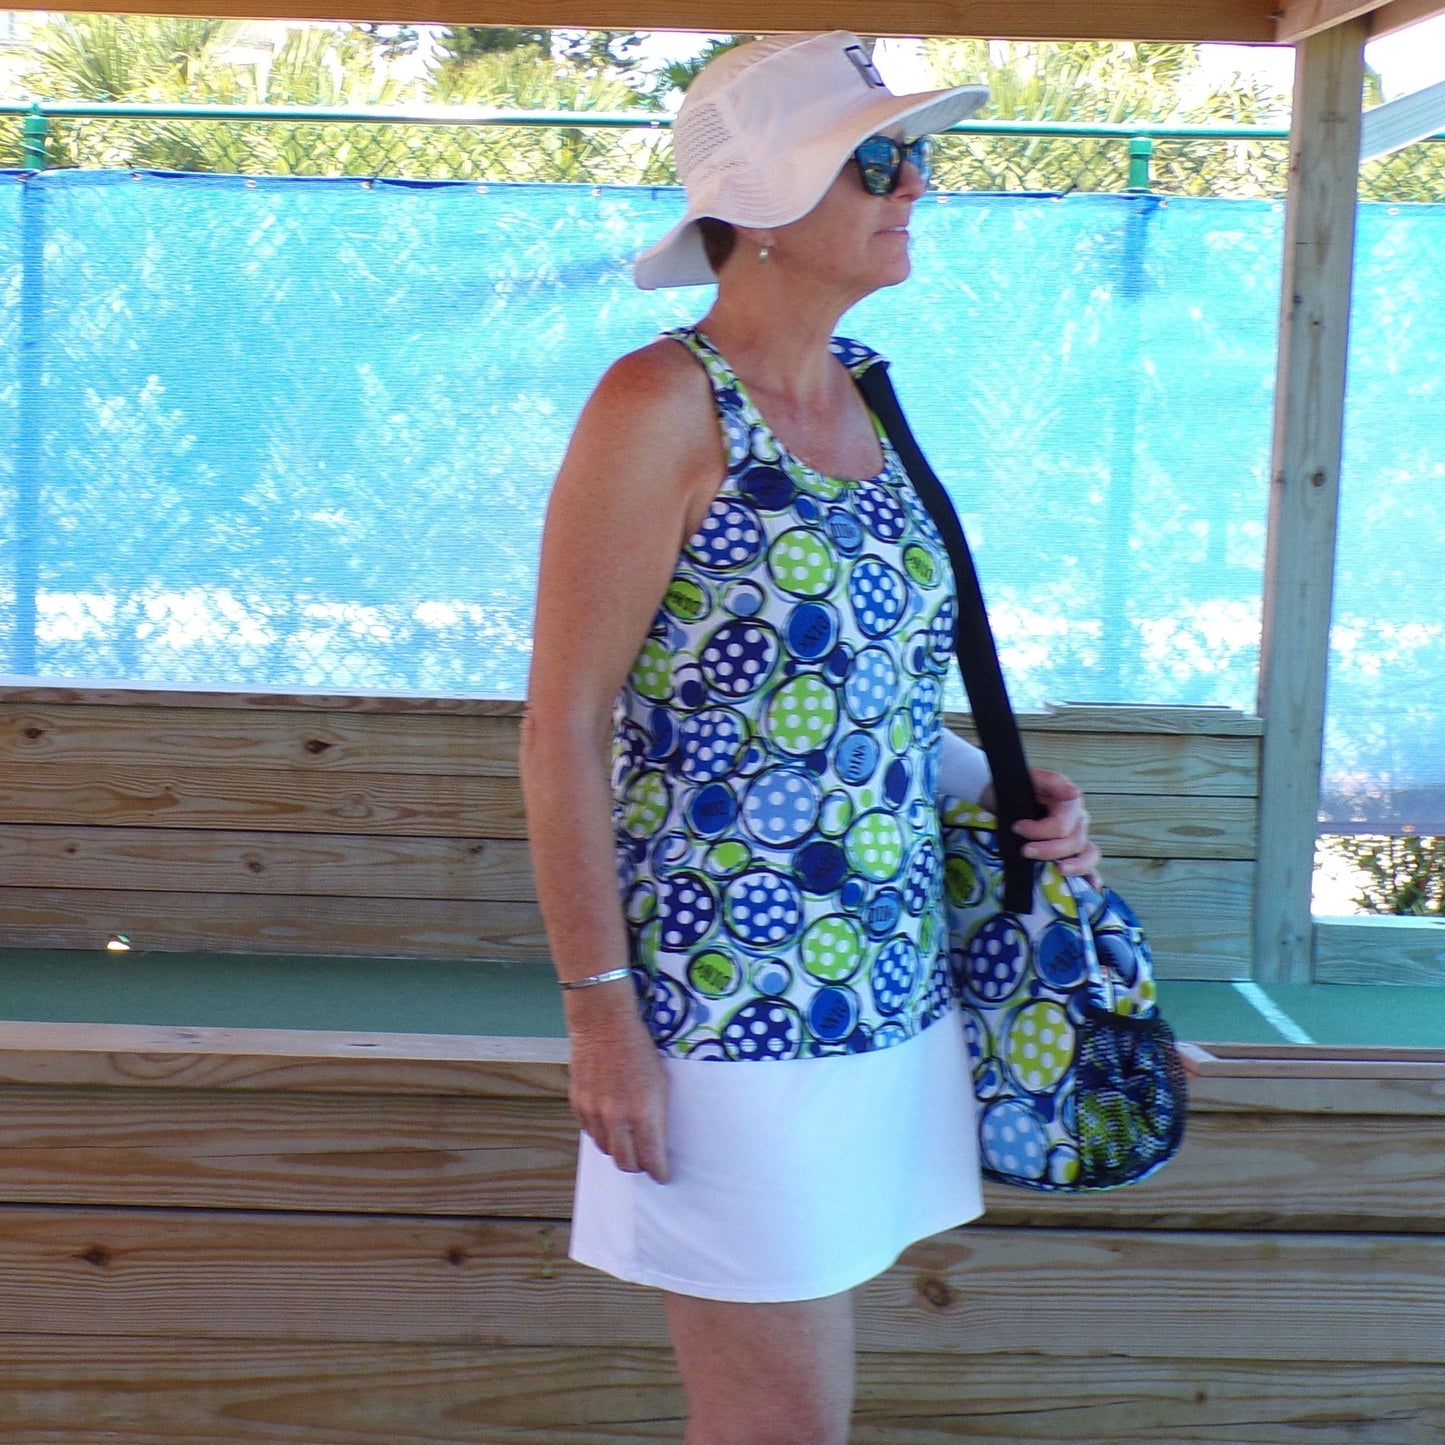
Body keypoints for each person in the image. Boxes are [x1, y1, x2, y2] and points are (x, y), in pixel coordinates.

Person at [520, 31, 1100, 1445]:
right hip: (730, 999)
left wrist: (1007, 789)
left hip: (883, 988)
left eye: (917, 158)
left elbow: (868, 702)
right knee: (778, 1428)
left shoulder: (869, 393)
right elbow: (564, 725)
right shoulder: (658, 404)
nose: (917, 186)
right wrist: (600, 1010)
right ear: (767, 199)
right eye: (879, 161)